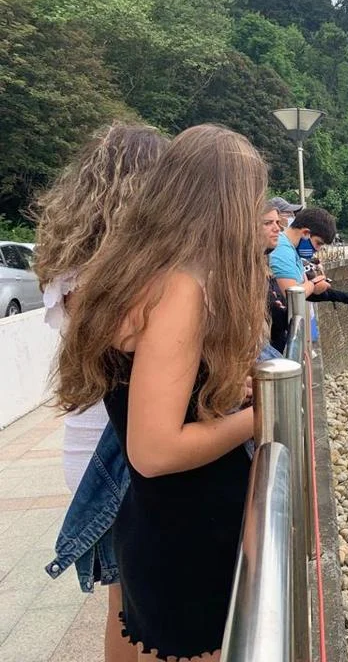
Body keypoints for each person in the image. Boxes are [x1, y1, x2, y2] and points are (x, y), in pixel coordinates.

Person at [55, 124, 268, 661]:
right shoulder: (179, 289)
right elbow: (153, 451)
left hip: (159, 525)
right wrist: (257, 417)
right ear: (228, 204)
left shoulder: (128, 273)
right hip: (189, 533)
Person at [32, 123, 169, 662]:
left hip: (88, 444)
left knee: (126, 600)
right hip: (118, 453)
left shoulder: (68, 268)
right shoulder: (116, 277)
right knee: (150, 603)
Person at [265, 205, 348, 352]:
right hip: (273, 342)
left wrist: (347, 298)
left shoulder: (292, 251)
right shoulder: (282, 250)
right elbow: (293, 294)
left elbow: (304, 289)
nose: (317, 249)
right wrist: (312, 285)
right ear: (306, 233)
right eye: (318, 243)